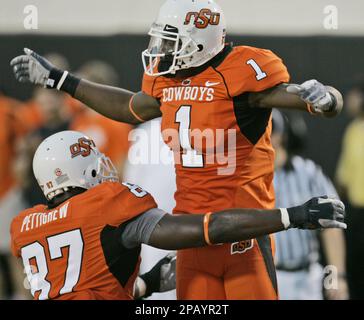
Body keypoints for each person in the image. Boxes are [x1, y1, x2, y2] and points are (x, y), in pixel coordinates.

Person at [10, 0, 344, 300]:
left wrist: (327, 98)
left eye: (171, 40)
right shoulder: (166, 82)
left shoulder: (240, 74)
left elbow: (311, 99)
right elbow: (128, 106)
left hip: (245, 234)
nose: (162, 49)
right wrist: (61, 80)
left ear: (201, 39)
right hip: (192, 236)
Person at [10, 130, 345, 300]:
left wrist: (146, 284)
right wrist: (291, 216)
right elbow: (206, 228)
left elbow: (79, 283)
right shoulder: (106, 204)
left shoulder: (23, 226)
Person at [271, 110, 347, 300]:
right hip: (271, 277)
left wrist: (335, 278)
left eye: (271, 130)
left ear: (283, 134)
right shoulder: (249, 180)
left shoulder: (308, 172)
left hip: (309, 276)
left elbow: (332, 226)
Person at [336, 81, 364, 299]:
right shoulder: (354, 130)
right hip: (357, 216)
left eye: (353, 94)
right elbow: (343, 179)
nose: (349, 99)